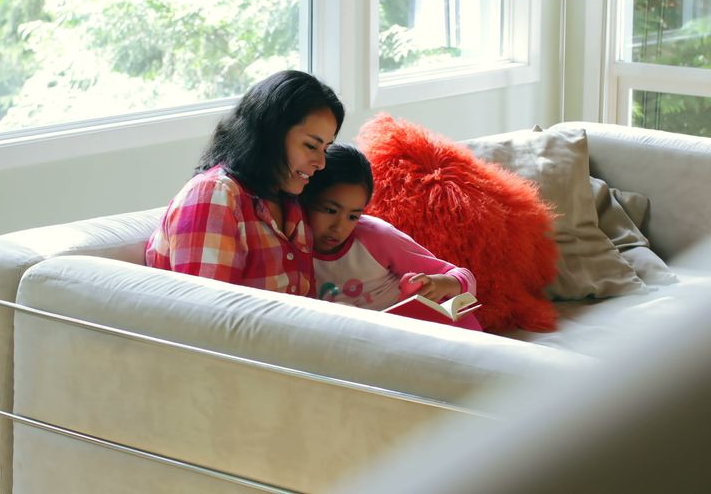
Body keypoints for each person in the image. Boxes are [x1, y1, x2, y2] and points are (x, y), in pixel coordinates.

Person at [145, 70, 344, 296]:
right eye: (310, 146)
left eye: (325, 149)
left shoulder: (289, 201)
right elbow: (205, 315)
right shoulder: (215, 195)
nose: (321, 162)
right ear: (271, 134)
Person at [301, 143, 481, 330]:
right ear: (304, 199)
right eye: (330, 210)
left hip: (437, 330)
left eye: (353, 216)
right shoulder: (290, 248)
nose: (339, 227)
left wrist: (440, 284)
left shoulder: (376, 236)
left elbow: (464, 278)